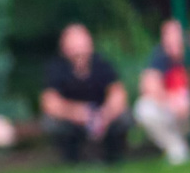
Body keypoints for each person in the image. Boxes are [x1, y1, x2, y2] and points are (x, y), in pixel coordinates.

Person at [40, 22, 129, 165]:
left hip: (102, 115)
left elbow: (118, 94)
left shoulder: (102, 64)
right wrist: (78, 113)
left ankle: (113, 155)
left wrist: (105, 114)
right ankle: (72, 158)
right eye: (74, 46)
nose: (79, 51)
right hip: (72, 118)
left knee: (124, 116)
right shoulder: (56, 69)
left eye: (82, 45)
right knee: (51, 123)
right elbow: (49, 102)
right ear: (64, 48)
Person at [135, 18, 190, 166]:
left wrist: (188, 100)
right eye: (168, 36)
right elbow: (148, 85)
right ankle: (177, 150)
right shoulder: (159, 57)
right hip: (170, 109)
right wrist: (170, 100)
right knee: (144, 107)